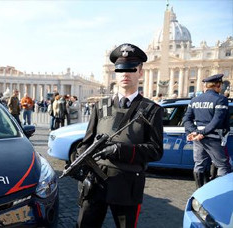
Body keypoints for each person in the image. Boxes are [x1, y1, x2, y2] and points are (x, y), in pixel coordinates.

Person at [74, 43, 163, 228]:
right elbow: (87, 141)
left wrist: (120, 150)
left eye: (131, 69)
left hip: (127, 183)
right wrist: (78, 158)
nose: (125, 74)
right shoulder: (101, 105)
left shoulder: (151, 110)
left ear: (140, 72)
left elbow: (155, 150)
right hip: (96, 181)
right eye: (121, 69)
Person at [182, 73, 232, 189]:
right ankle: (220, 191)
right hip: (213, 137)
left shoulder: (195, 100)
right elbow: (217, 121)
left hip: (198, 138)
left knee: (199, 164)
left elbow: (186, 119)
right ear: (218, 85)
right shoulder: (221, 99)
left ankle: (199, 191)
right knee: (223, 165)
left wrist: (195, 131)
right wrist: (201, 133)